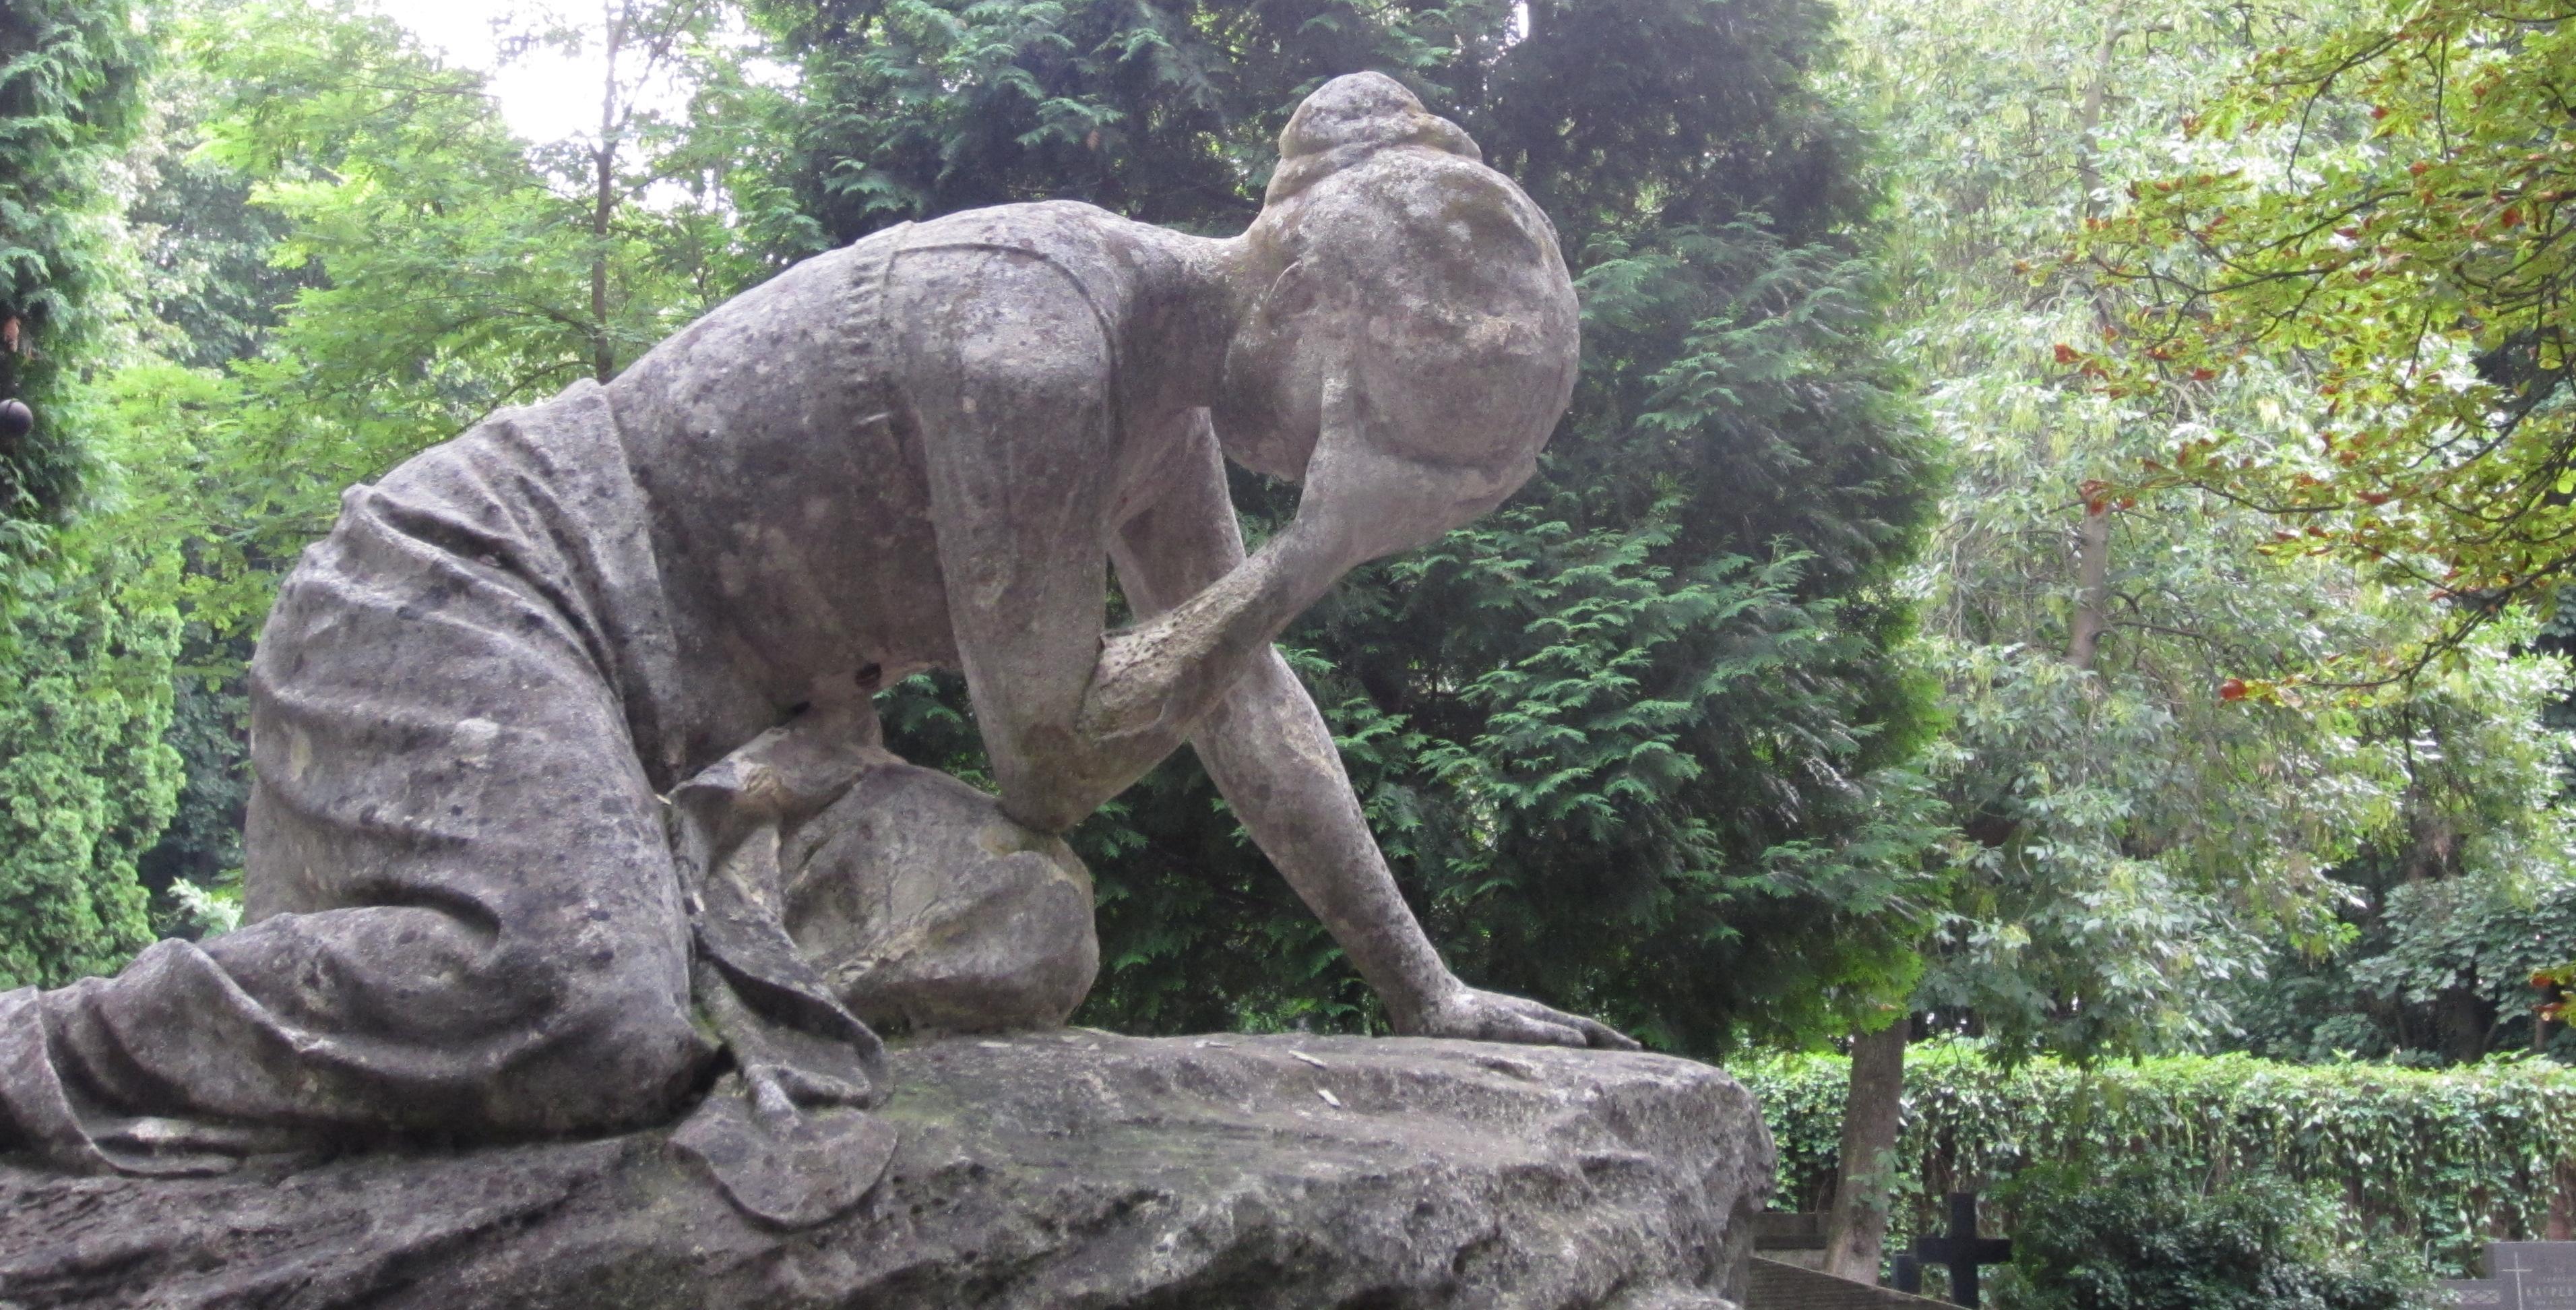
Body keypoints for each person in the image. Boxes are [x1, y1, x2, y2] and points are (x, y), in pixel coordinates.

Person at [0, 73, 1626, 1182]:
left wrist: (1425, 994)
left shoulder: (1164, 421)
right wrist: (1316, 549)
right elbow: (1052, 753)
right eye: (1385, 433)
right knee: (576, 1010)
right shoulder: (1033, 334)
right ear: (1297, 300)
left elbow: (1242, 706)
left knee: (1029, 930)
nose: (1378, 480)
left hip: (729, 741)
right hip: (484, 588)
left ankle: (651, 917)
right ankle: (49, 1052)